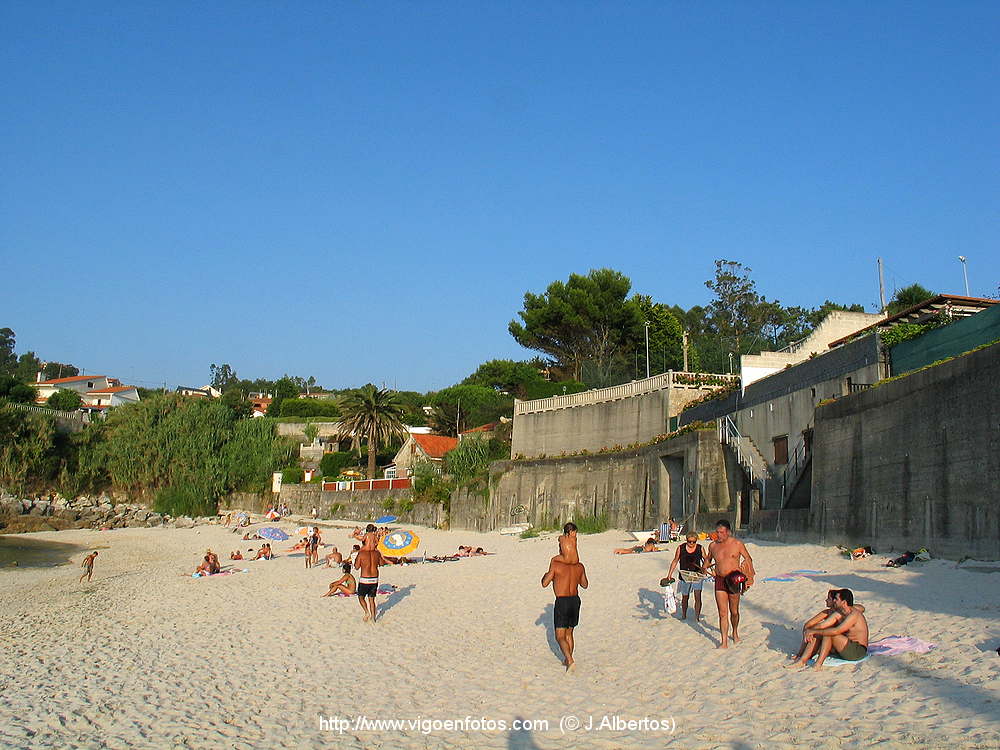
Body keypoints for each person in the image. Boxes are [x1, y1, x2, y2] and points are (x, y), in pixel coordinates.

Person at [703, 519, 755, 649]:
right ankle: (724, 641)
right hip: (719, 579)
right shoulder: (713, 546)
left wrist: (745, 571)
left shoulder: (737, 544)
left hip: (734, 580)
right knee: (722, 613)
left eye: (721, 532)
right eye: (717, 532)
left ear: (728, 532)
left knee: (734, 611)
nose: (718, 535)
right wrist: (705, 567)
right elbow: (708, 559)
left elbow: (748, 558)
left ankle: (735, 632)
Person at [542, 539, 589, 672]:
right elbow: (585, 584)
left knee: (560, 636)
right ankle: (568, 659)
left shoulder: (556, 565)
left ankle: (570, 660)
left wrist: (548, 571)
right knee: (569, 633)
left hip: (562, 601)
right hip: (575, 600)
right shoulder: (579, 566)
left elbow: (544, 583)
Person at [787, 590, 867, 666]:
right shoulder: (836, 613)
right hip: (843, 646)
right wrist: (811, 631)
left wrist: (813, 631)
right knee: (819, 633)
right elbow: (820, 625)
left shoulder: (853, 614)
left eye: (835, 599)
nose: (833, 601)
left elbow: (836, 631)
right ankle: (802, 660)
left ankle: (818, 664)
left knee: (828, 633)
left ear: (844, 602)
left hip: (858, 650)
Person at [667, 532, 706, 620]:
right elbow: (675, 560)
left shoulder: (700, 548)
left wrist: (709, 570)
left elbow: (706, 560)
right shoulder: (681, 548)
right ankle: (684, 615)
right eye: (689, 541)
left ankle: (697, 617)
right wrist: (669, 575)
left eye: (694, 542)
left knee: (698, 596)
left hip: (697, 575)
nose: (691, 543)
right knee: (685, 597)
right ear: (686, 540)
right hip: (685, 576)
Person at [355, 542, 385, 623]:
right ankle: (373, 618)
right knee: (371, 599)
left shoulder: (361, 553)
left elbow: (356, 567)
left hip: (365, 578)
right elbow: (382, 563)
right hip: (374, 579)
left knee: (361, 597)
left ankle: (366, 612)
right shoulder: (377, 553)